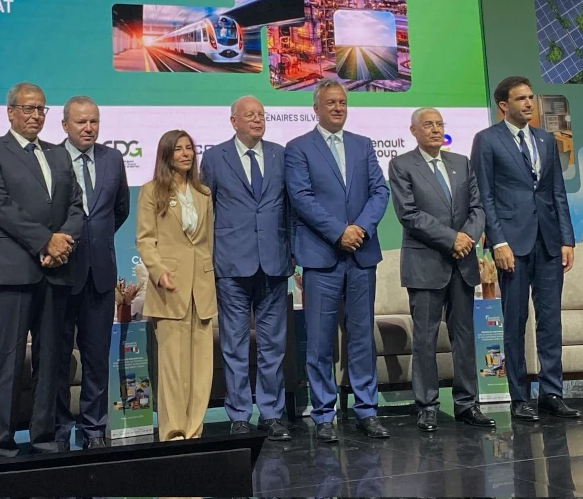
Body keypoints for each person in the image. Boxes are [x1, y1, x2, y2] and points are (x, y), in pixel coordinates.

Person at [0, 83, 84, 456]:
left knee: (50, 358)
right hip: (13, 273)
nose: (36, 115)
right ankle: (1, 442)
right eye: (28, 109)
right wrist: (44, 242)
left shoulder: (58, 154)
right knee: (7, 360)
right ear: (10, 112)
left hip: (55, 271)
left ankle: (43, 436)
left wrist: (62, 242)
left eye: (41, 109)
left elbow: (76, 206)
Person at [285, 80, 389, 442]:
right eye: (330, 102)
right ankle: (324, 413)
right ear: (316, 108)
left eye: (342, 102)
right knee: (319, 340)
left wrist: (359, 227)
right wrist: (338, 232)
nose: (338, 108)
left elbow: (380, 190)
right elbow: (301, 197)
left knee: (361, 337)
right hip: (322, 256)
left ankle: (366, 410)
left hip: (361, 255)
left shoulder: (363, 146)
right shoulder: (298, 148)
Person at [473, 75, 580, 421]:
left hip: (548, 242)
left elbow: (556, 193)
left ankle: (552, 392)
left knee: (550, 322)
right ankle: (519, 398)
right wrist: (497, 241)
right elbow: (485, 196)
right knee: (515, 323)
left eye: (531, 97)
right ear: (503, 105)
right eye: (521, 99)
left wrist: (566, 239)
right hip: (512, 245)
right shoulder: (487, 140)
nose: (528, 103)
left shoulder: (546, 140)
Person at [389, 107, 494, 432]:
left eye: (439, 124)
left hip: (462, 265)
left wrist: (469, 238)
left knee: (464, 337)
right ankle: (428, 407)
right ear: (414, 130)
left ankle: (467, 405)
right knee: (425, 338)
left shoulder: (461, 163)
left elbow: (477, 208)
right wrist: (453, 239)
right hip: (426, 265)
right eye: (428, 125)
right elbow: (409, 214)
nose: (435, 129)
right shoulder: (402, 165)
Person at [200, 96, 292, 441]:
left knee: (273, 345)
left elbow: (290, 207)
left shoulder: (280, 155)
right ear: (233, 121)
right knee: (235, 345)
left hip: (274, 261)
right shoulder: (214, 157)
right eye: (250, 115)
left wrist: (292, 254)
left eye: (261, 115)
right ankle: (239, 414)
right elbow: (205, 209)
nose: (257, 120)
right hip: (231, 262)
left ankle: (271, 413)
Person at [55, 96, 131, 450]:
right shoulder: (51, 159)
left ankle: (93, 431)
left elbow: (120, 210)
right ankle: (58, 432)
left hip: (100, 274)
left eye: (94, 122)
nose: (88, 128)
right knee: (55, 358)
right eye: (81, 122)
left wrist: (95, 242)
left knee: (97, 357)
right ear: (65, 124)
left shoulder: (113, 159)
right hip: (59, 275)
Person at [136, 130, 216, 441]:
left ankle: (194, 429)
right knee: (172, 368)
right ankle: (173, 432)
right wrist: (158, 271)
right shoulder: (151, 192)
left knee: (201, 367)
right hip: (170, 287)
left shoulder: (204, 194)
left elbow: (206, 241)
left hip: (202, 287)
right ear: (166, 155)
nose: (185, 154)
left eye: (189, 149)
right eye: (178, 149)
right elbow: (145, 240)